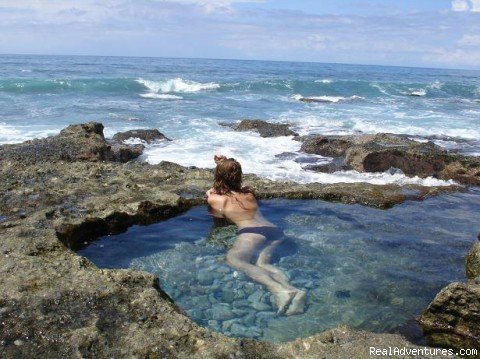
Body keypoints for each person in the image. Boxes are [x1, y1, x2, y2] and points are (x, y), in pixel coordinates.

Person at [205, 154, 306, 316]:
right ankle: (293, 290)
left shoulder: (216, 199)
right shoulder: (249, 193)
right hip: (276, 232)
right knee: (262, 264)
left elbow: (215, 212)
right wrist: (224, 164)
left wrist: (213, 188)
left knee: (234, 259)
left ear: (218, 176)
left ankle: (278, 290)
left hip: (252, 233)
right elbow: (236, 184)